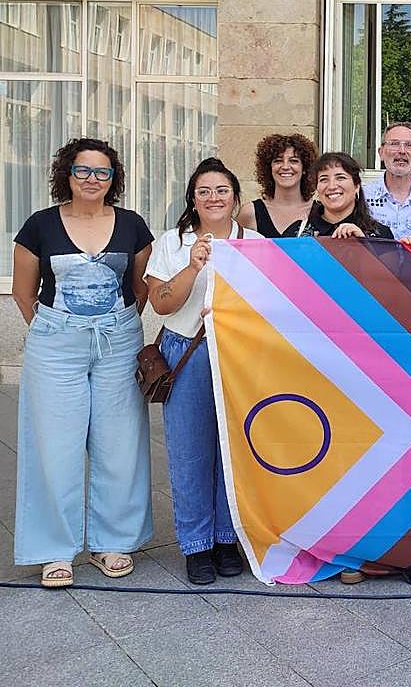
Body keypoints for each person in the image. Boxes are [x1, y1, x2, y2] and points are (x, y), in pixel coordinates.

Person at [10, 137, 153, 588]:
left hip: (117, 339)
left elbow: (140, 286)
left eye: (102, 172)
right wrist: (58, 330)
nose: (93, 179)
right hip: (56, 343)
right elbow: (23, 291)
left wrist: (119, 325)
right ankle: (55, 550)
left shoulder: (132, 225)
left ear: (114, 179)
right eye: (83, 170)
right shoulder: (40, 225)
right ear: (66, 174)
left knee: (120, 443)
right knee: (54, 445)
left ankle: (114, 541)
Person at [145, 158, 263, 585]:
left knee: (233, 449)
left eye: (222, 191)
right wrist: (193, 267)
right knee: (190, 449)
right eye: (204, 191)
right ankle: (196, 545)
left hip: (236, 352)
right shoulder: (172, 242)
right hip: (186, 350)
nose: (213, 198)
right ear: (192, 199)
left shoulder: (254, 241)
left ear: (235, 198)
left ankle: (226, 537)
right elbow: (160, 303)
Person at [362, 122, 411, 239]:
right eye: (394, 144)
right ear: (381, 153)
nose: (402, 151)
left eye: (409, 145)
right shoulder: (361, 198)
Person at [236, 132, 318, 238]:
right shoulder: (250, 213)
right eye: (278, 161)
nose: (285, 166)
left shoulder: (321, 212)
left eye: (293, 161)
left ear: (305, 169)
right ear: (269, 168)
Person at [300, 152, 393, 240]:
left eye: (340, 178)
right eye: (324, 179)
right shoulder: (297, 232)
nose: (332, 186)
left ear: (357, 186)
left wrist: (364, 243)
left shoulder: (381, 235)